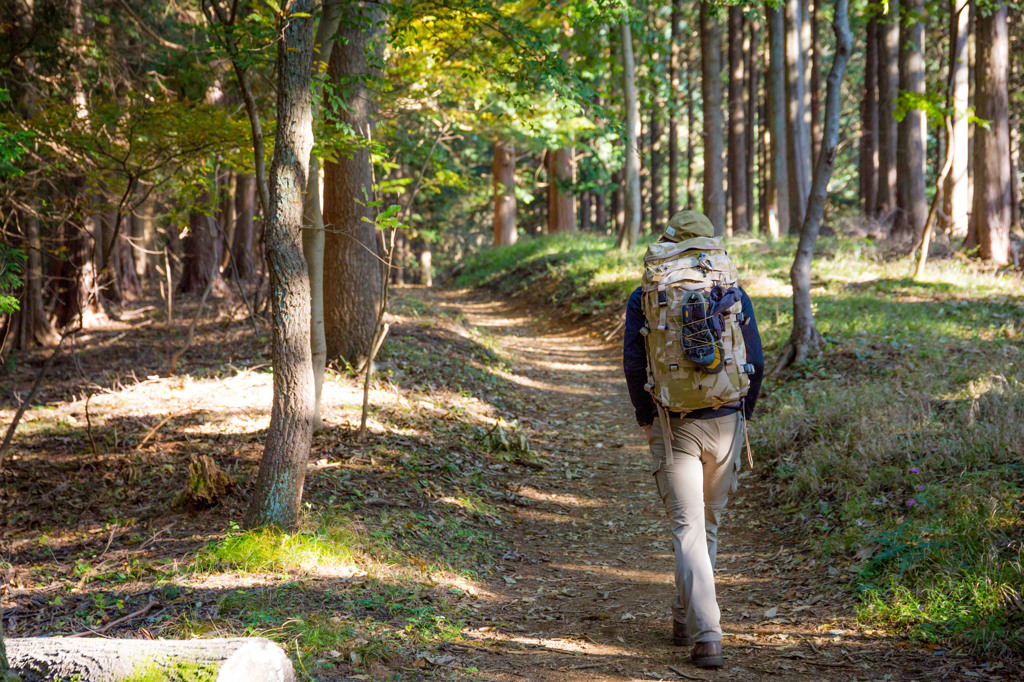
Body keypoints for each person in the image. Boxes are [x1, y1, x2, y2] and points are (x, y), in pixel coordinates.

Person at [622, 210, 764, 669]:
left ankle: (707, 634)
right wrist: (743, 415)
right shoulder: (732, 287)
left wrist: (645, 417)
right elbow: (755, 362)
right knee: (707, 527)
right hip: (727, 419)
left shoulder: (646, 294)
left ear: (669, 243)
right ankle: (686, 620)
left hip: (673, 422)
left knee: (687, 529)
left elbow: (633, 364)